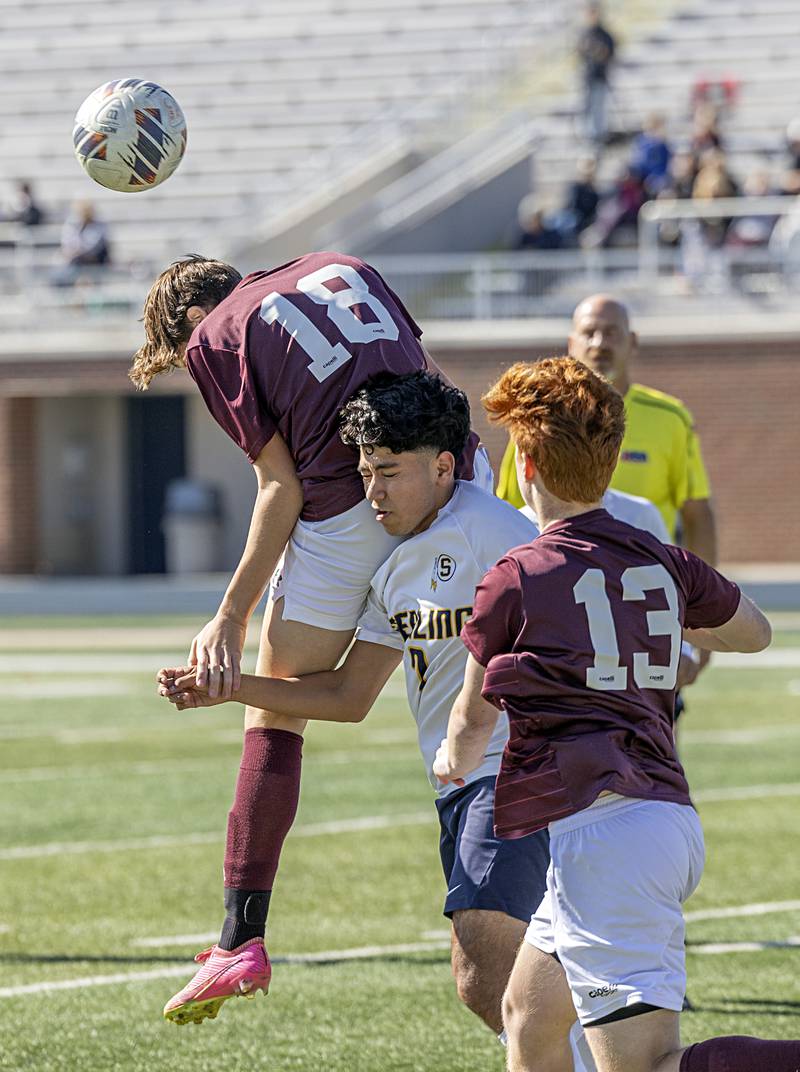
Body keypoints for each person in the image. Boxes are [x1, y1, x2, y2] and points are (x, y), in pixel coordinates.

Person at [130, 254, 490, 1025]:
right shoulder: (340, 263)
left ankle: (241, 936)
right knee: (482, 683)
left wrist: (228, 614)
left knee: (281, 712)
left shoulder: (214, 336)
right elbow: (422, 375)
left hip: (350, 499)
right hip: (457, 474)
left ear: (187, 322)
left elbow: (280, 486)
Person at [433, 357, 794, 1072]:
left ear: (526, 467)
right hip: (648, 820)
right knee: (528, 1020)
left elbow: (472, 721)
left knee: (649, 1064)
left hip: (607, 840)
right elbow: (755, 632)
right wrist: (670, 623)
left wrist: (452, 763)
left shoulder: (516, 574)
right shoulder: (661, 559)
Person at [577, 1, 616, 147]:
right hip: (587, 77)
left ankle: (597, 136)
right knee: (586, 107)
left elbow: (609, 53)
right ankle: (587, 136)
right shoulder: (585, 33)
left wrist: (599, 52)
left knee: (598, 107)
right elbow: (580, 52)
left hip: (600, 76)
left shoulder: (604, 35)